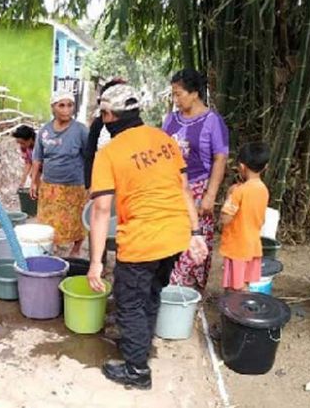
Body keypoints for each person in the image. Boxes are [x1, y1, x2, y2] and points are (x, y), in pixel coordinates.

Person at [87, 84, 208, 389]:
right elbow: (183, 190)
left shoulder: (109, 153)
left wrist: (95, 264)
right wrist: (195, 232)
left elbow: (101, 210)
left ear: (108, 115)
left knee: (129, 302)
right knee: (151, 293)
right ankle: (139, 344)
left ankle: (137, 370)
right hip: (175, 237)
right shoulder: (165, 140)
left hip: (143, 240)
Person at [163, 68, 229, 291]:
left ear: (194, 93)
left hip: (198, 190)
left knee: (193, 243)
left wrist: (210, 195)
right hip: (171, 191)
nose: (175, 99)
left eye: (179, 94)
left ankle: (185, 291)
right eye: (173, 94)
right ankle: (172, 288)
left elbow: (220, 159)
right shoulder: (171, 119)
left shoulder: (213, 121)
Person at [30, 91, 89, 257]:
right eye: (61, 105)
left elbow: (89, 157)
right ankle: (52, 245)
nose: (66, 110)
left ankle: (76, 248)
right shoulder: (44, 132)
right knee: (49, 219)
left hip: (74, 185)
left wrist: (90, 183)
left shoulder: (81, 131)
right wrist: (34, 181)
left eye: (70, 105)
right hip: (49, 185)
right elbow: (37, 158)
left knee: (76, 218)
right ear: (53, 108)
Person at [219, 142, 270, 291]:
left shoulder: (238, 191)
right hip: (253, 245)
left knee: (235, 286)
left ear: (242, 167)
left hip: (237, 247)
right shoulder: (263, 190)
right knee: (245, 283)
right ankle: (242, 310)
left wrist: (229, 196)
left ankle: (235, 312)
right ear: (265, 167)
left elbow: (225, 218)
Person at [84, 77, 126, 189]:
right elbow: (89, 154)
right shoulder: (98, 124)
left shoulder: (133, 126)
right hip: (102, 184)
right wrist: (89, 185)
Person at [11, 125, 36, 189]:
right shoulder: (25, 148)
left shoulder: (41, 145)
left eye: (22, 143)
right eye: (19, 143)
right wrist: (23, 181)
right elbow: (28, 163)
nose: (21, 146)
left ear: (30, 139)